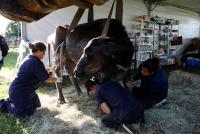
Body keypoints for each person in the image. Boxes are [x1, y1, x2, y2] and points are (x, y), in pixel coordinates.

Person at [0, 41, 60, 118]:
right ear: (38, 51)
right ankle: (4, 104)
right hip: (20, 92)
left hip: (26, 91)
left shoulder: (30, 58)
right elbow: (47, 79)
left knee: (37, 108)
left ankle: (13, 101)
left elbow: (36, 70)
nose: (44, 55)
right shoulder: (35, 62)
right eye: (43, 52)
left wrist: (49, 69)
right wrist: (58, 79)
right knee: (24, 115)